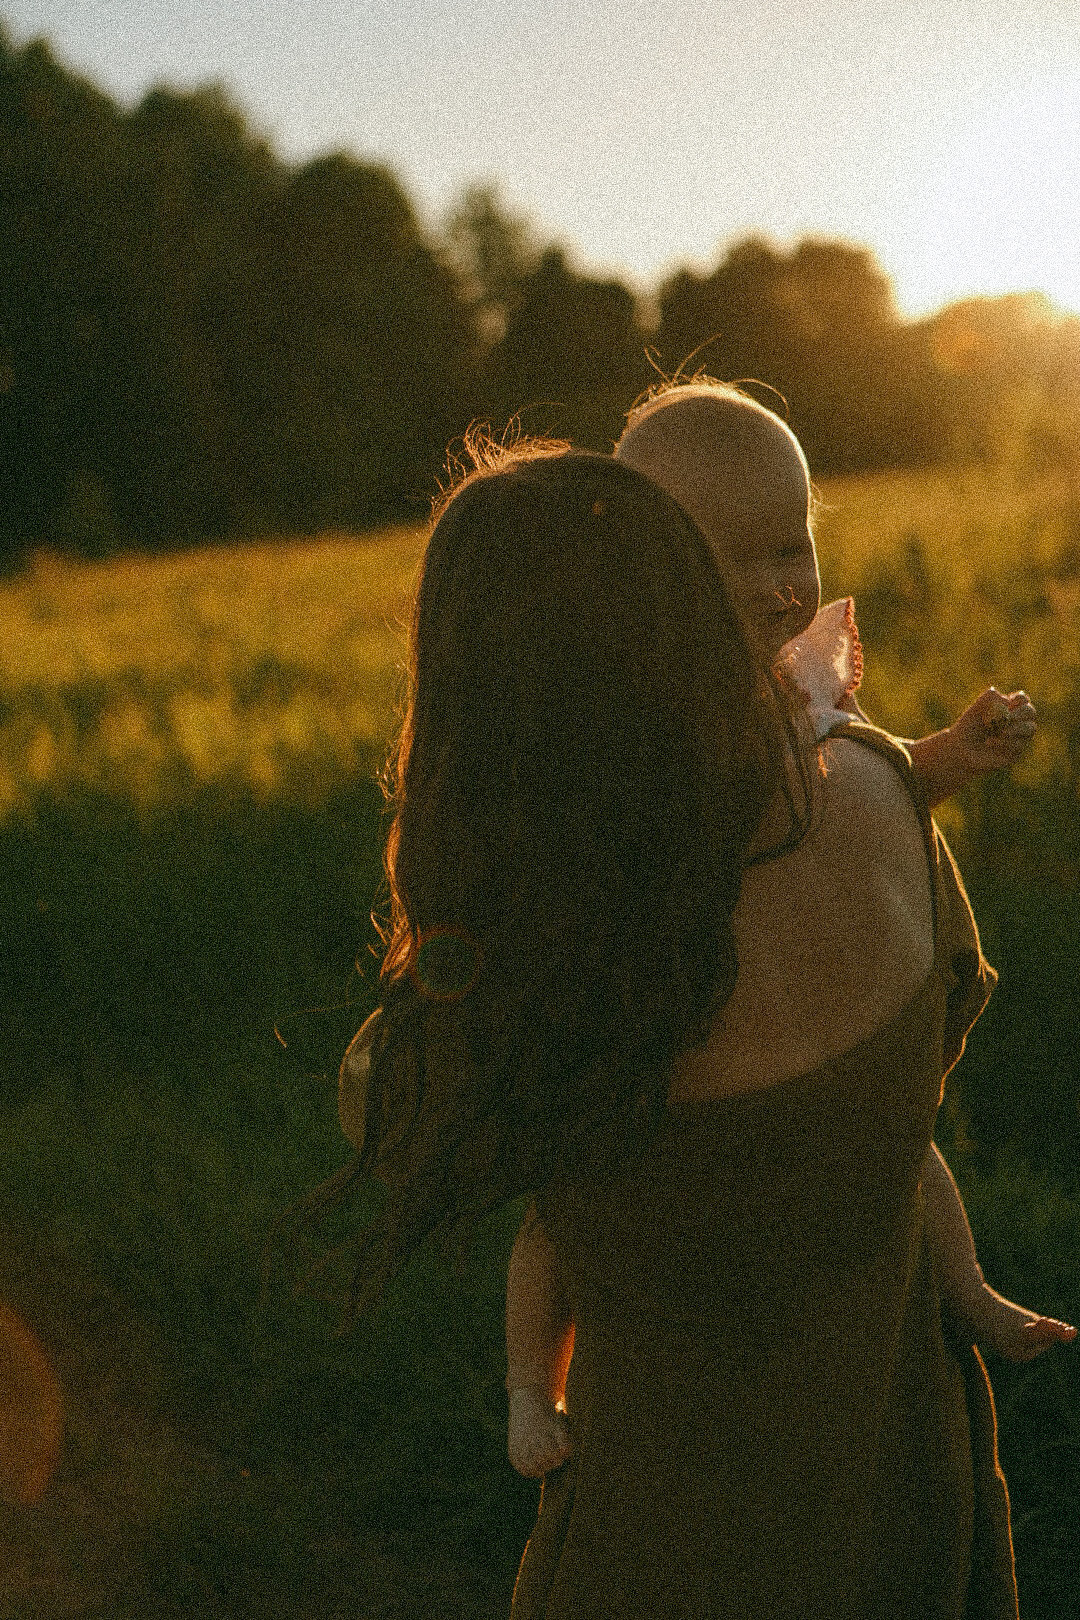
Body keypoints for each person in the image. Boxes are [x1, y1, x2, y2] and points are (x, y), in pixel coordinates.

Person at [503, 382, 1075, 1487]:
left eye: (794, 546)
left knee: (897, 1138)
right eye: (744, 559)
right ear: (652, 579)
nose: (784, 587)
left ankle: (970, 1294)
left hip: (797, 996)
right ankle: (533, 1388)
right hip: (677, 1013)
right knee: (561, 1209)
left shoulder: (802, 681)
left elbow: (877, 777)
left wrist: (955, 751)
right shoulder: (628, 707)